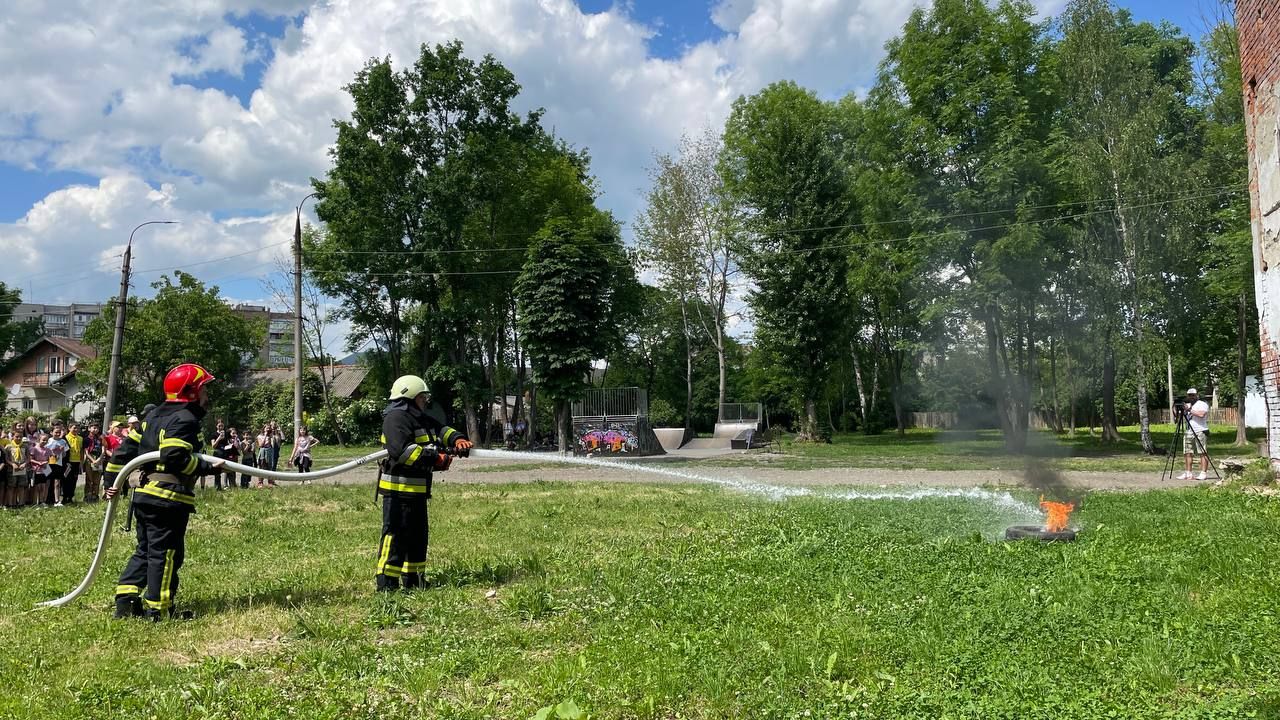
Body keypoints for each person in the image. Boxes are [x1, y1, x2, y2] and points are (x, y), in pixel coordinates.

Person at [104, 362, 223, 621]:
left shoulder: (154, 416)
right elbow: (175, 457)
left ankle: (126, 601)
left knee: (146, 549)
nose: (207, 395)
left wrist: (111, 482)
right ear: (191, 392)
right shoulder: (184, 419)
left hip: (144, 496)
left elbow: (123, 453)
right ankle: (159, 611)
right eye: (204, 389)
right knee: (166, 553)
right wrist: (207, 467)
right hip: (167, 499)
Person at [374, 375, 473, 592]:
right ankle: (387, 584)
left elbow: (441, 430)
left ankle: (414, 580)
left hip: (417, 493)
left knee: (418, 537)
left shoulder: (420, 418)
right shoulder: (396, 419)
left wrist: (457, 439)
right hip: (399, 492)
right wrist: (436, 459)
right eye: (422, 397)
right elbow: (401, 451)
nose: (424, 401)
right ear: (410, 396)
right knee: (396, 537)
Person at [1179, 388, 1211, 481]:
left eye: (1193, 395)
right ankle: (1188, 472)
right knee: (1187, 452)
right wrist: (1176, 407)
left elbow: (1201, 414)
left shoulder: (1202, 404)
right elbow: (1179, 416)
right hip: (1188, 431)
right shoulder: (1187, 404)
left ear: (1197, 395)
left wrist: (1189, 409)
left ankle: (1203, 473)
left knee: (1202, 452)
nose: (1191, 397)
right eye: (1189, 395)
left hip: (1200, 430)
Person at [45, 426, 69, 506]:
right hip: (48, 463)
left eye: (59, 432)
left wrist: (62, 451)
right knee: (47, 482)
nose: (58, 434)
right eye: (56, 432)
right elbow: (44, 451)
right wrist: (52, 452)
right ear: (51, 433)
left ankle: (57, 500)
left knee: (57, 482)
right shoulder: (48, 440)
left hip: (58, 463)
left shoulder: (63, 441)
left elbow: (65, 454)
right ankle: (45, 500)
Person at [83, 424, 104, 502]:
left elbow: (103, 450)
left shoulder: (100, 438)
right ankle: (88, 496)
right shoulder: (87, 439)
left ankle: (95, 496)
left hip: (99, 458)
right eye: (94, 428)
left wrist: (99, 459)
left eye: (97, 428)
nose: (96, 430)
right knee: (89, 479)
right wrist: (93, 460)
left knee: (97, 480)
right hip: (90, 459)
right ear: (89, 429)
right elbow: (86, 452)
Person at [63, 423, 83, 505]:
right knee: (66, 480)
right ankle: (64, 496)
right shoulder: (66, 438)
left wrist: (81, 462)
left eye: (78, 428)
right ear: (69, 428)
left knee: (74, 480)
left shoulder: (80, 438)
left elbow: (81, 450)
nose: (76, 430)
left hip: (77, 461)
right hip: (68, 462)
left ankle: (71, 497)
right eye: (74, 428)